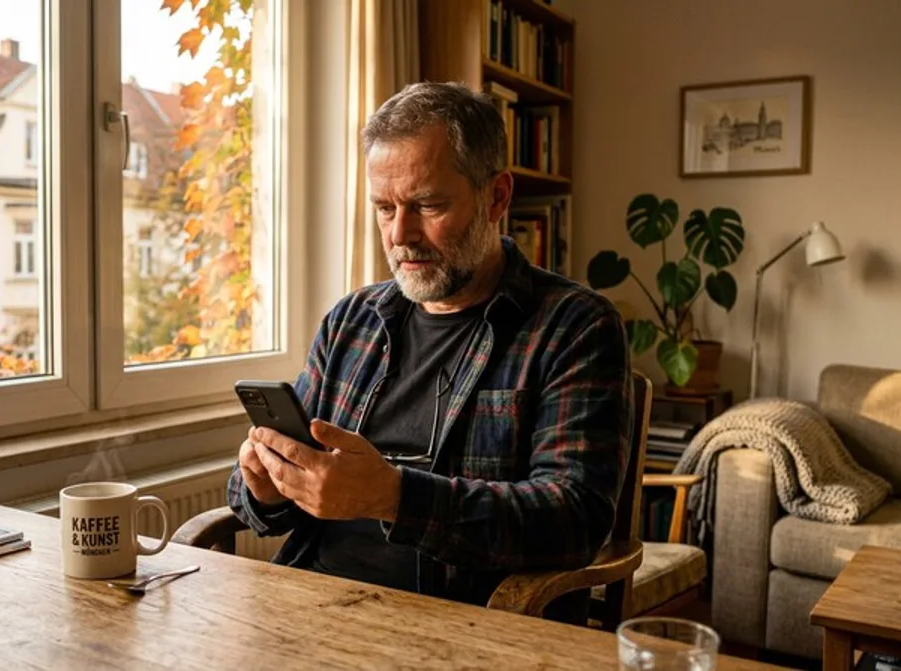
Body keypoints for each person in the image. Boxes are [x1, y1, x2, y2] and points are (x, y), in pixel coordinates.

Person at [226, 81, 633, 608]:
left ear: (497, 197)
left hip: (466, 625)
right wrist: (266, 486)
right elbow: (252, 497)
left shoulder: (574, 328)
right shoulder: (352, 322)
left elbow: (574, 518)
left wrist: (394, 497)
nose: (400, 234)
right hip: (316, 606)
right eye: (384, 208)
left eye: (427, 205)